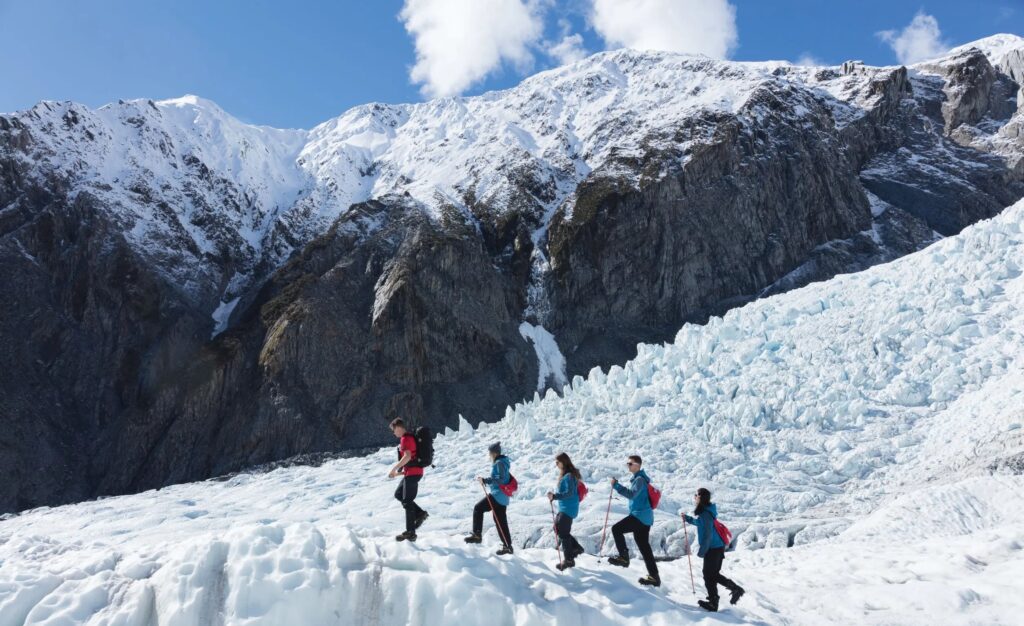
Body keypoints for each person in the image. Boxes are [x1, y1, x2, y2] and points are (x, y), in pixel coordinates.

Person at [684, 487, 745, 612]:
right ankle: (718, 599)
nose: (694, 497)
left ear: (700, 497)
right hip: (717, 547)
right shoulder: (706, 512)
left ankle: (720, 597)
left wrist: (702, 551)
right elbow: (701, 523)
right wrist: (688, 519)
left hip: (713, 548)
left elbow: (707, 535)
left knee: (708, 575)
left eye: (696, 495)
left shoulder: (705, 514)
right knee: (712, 575)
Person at [608, 455, 660, 587]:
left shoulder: (640, 480)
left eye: (630, 464)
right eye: (628, 464)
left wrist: (616, 486)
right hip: (645, 518)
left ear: (637, 465)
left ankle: (624, 558)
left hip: (640, 516)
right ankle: (654, 577)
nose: (628, 466)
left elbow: (631, 494)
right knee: (644, 548)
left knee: (616, 529)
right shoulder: (640, 479)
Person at [464, 442, 514, 555]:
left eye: (490, 452)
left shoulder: (499, 463)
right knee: (500, 521)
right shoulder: (504, 462)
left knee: (478, 508)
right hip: (503, 497)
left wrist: (485, 481)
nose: (489, 455)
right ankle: (507, 547)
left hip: (497, 495)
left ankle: (477, 535)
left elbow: (500, 479)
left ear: (494, 453)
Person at [388, 418, 428, 541]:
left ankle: (411, 532)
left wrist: (394, 469)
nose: (393, 433)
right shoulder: (407, 438)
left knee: (407, 501)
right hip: (411, 473)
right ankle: (420, 514)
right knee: (399, 494)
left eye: (393, 430)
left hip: (413, 473)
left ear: (398, 428)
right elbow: (410, 460)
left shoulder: (406, 438)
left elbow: (407, 456)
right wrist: (399, 474)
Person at [547, 452, 586, 570]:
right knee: (557, 528)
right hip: (566, 507)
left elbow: (569, 493)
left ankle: (569, 560)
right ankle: (576, 548)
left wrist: (555, 496)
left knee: (563, 532)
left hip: (568, 508)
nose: (556, 464)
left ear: (563, 462)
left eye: (557, 462)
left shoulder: (568, 476)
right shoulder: (567, 475)